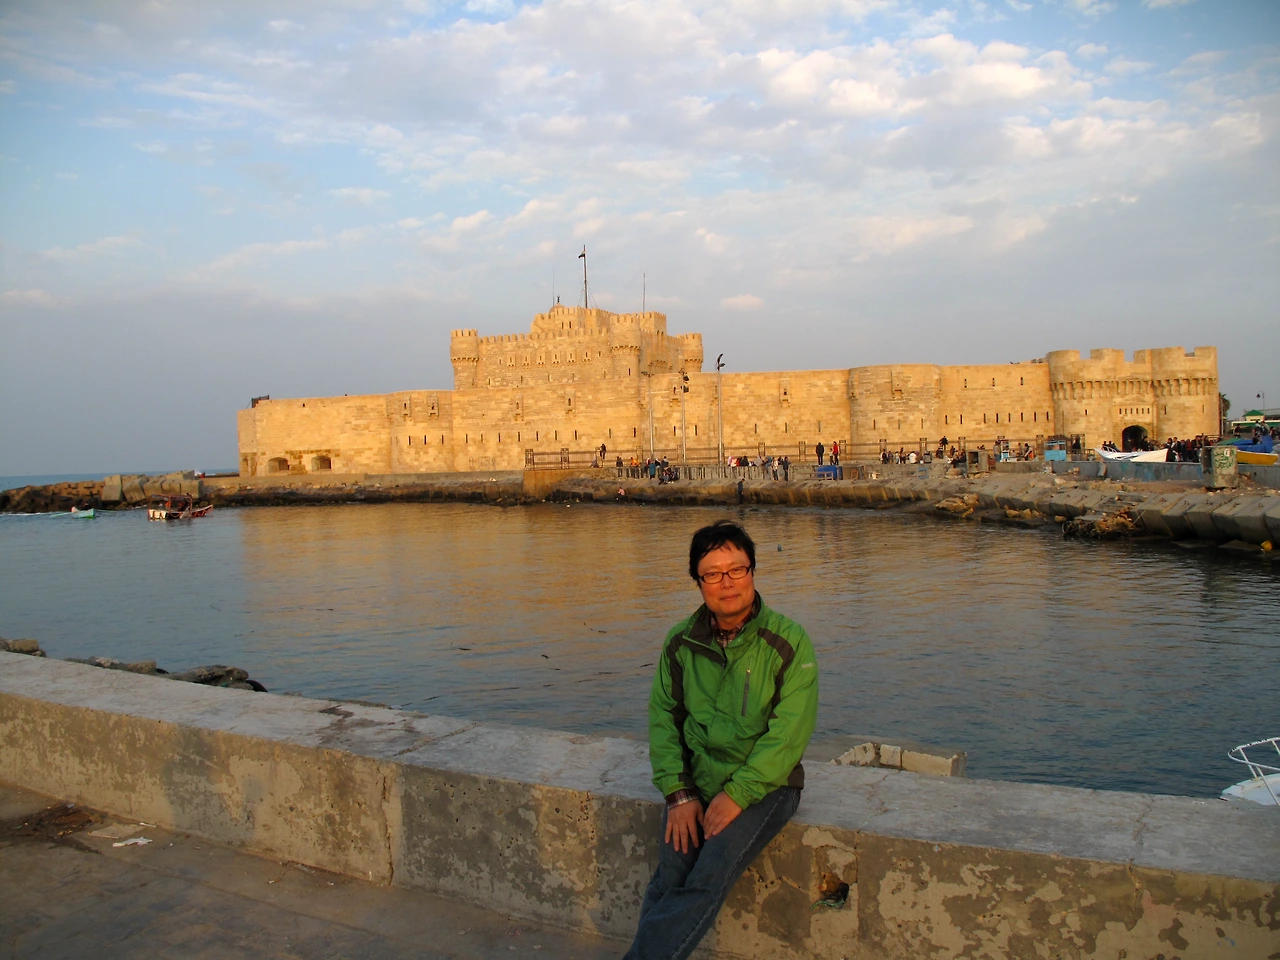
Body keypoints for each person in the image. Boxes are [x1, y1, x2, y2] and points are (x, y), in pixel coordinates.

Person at [624, 521, 818, 960]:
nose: (726, 583)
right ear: (698, 582)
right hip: (697, 783)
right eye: (712, 574)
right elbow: (664, 720)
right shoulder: (680, 643)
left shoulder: (788, 642)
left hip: (767, 787)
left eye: (736, 570)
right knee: (671, 875)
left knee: (705, 877)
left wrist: (737, 795)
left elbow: (788, 736)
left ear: (752, 572)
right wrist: (679, 794)